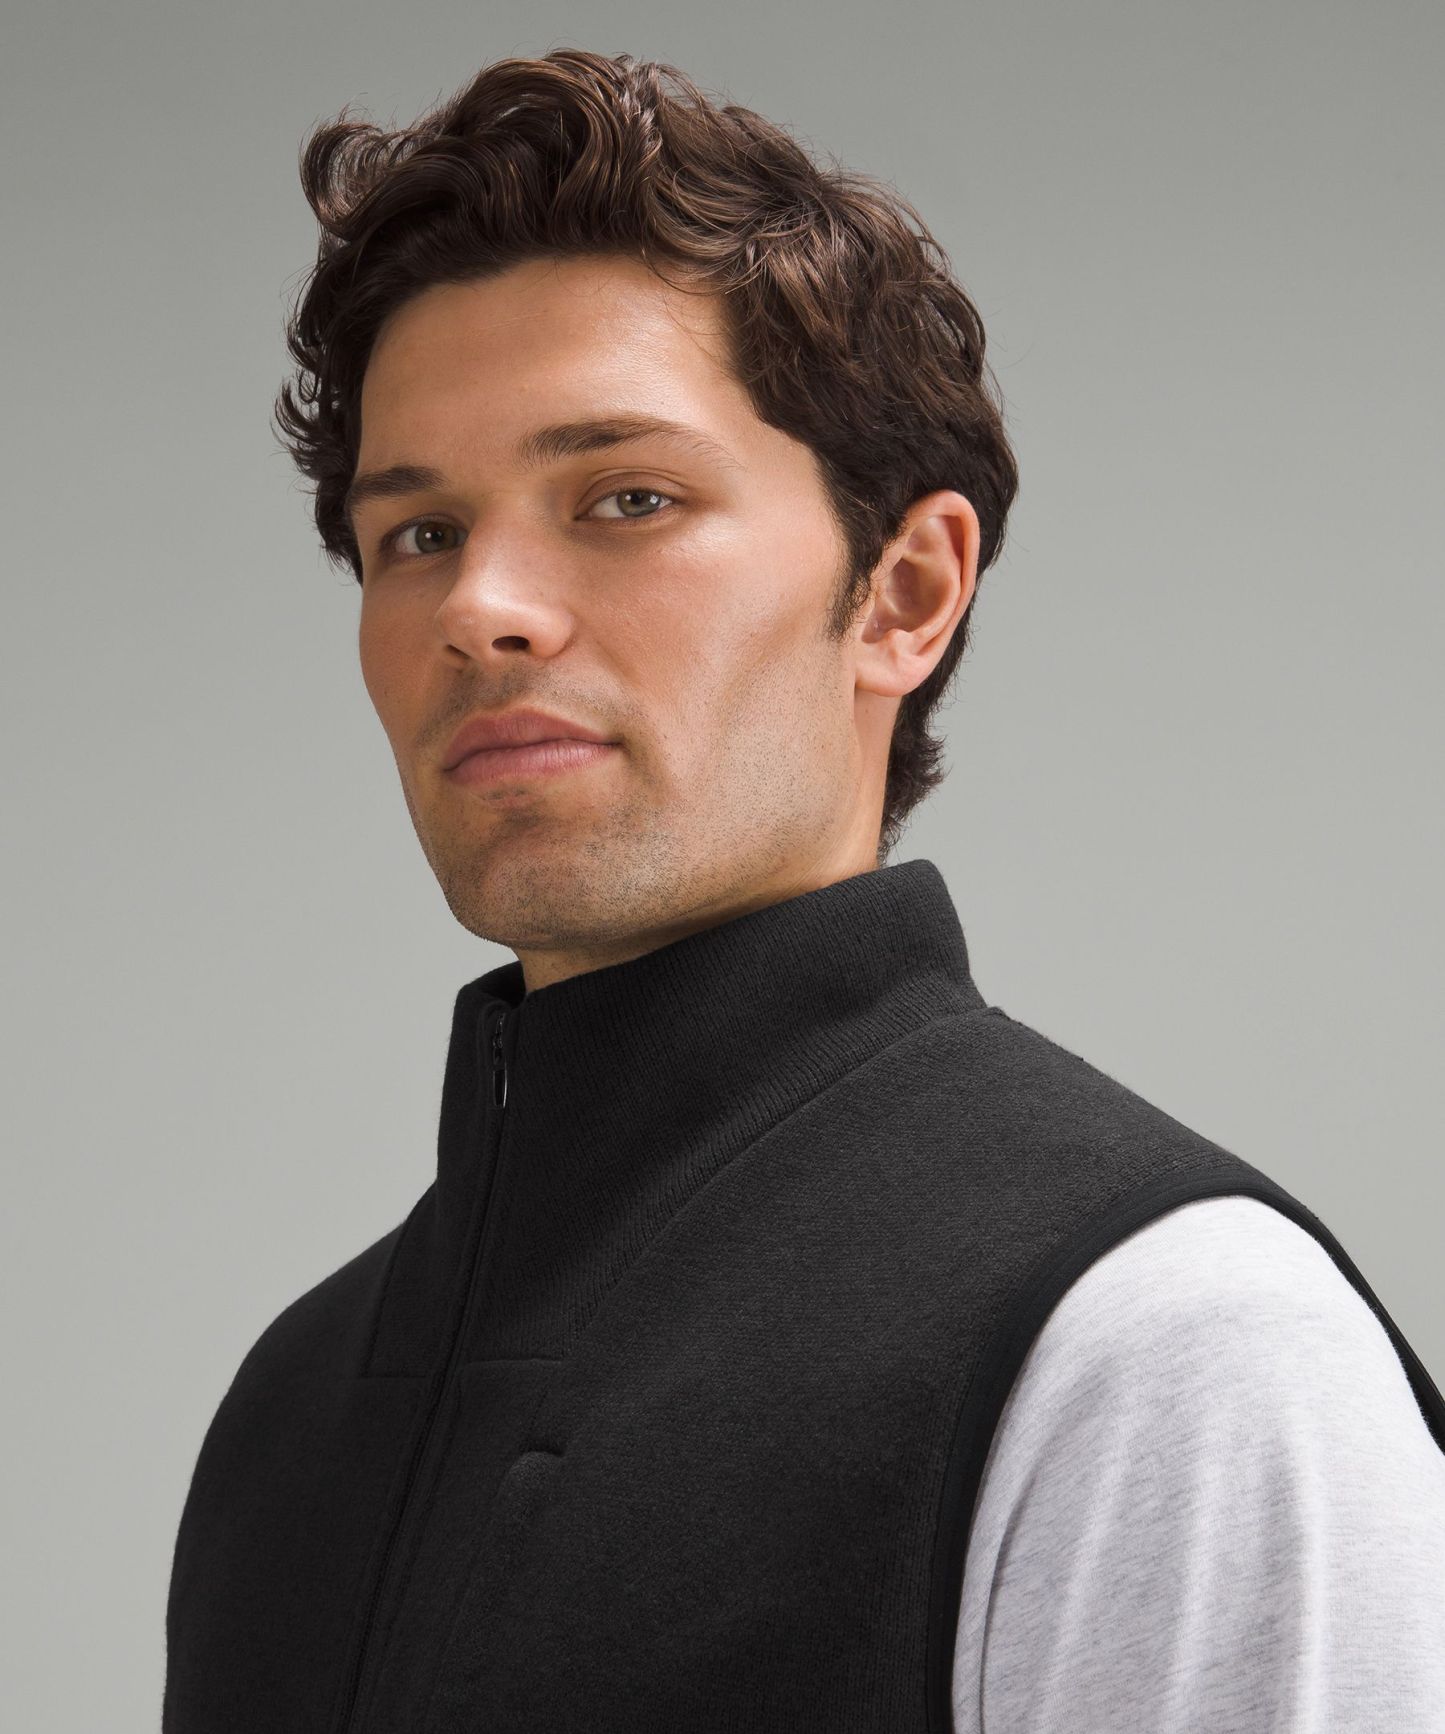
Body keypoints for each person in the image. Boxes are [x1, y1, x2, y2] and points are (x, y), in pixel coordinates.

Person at [162, 48, 1445, 1733]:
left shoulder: (1161, 1342)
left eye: (626, 498)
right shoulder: (294, 1409)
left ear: (903, 593)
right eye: (419, 533)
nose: (480, 606)